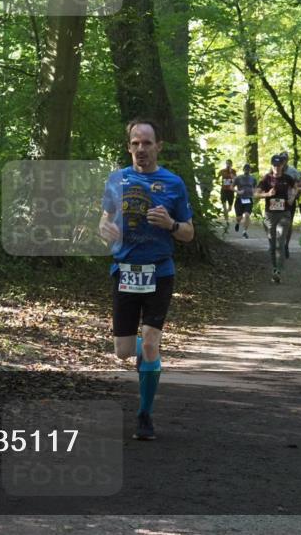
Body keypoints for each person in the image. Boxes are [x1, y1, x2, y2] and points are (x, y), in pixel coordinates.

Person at [99, 119, 194, 441]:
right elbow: (105, 219)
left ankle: (145, 414)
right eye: (135, 143)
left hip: (159, 271)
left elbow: (189, 233)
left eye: (147, 143)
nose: (141, 149)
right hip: (124, 271)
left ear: (158, 146)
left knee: (151, 343)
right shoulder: (117, 180)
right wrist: (105, 229)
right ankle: (144, 351)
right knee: (123, 352)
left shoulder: (174, 183)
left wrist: (170, 224)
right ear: (129, 147)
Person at [255, 154, 299, 283]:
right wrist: (267, 194)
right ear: (271, 165)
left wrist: (291, 198)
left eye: (279, 165)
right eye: (274, 165)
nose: (277, 168)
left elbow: (295, 188)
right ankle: (274, 268)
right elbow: (256, 194)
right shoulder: (266, 179)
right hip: (270, 215)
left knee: (280, 242)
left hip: (284, 214)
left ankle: (278, 271)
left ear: (283, 166)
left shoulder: (288, 178)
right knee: (272, 243)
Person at [277, 151, 301, 260]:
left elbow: (299, 185)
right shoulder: (274, 169)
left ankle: (286, 245)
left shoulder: (294, 171)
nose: (283, 160)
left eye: (285, 158)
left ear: (288, 159)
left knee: (288, 224)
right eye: (281, 158)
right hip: (277, 200)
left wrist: (295, 196)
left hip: (290, 201)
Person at [234, 163, 257, 238]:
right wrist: (238, 192)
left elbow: (255, 188)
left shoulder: (253, 179)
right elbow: (231, 187)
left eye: (248, 169)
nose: (247, 170)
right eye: (245, 169)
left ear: (250, 170)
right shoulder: (238, 178)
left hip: (249, 199)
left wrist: (254, 194)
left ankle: (244, 232)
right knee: (239, 217)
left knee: (247, 215)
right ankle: (238, 223)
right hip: (239, 199)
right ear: (243, 169)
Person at [218, 159, 237, 230]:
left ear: (231, 164)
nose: (228, 165)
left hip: (231, 191)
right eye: (227, 163)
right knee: (224, 205)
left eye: (229, 164)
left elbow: (236, 179)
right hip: (223, 190)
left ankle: (225, 213)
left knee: (229, 208)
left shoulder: (234, 171)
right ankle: (226, 221)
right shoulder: (222, 171)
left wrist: (232, 175)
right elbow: (217, 177)